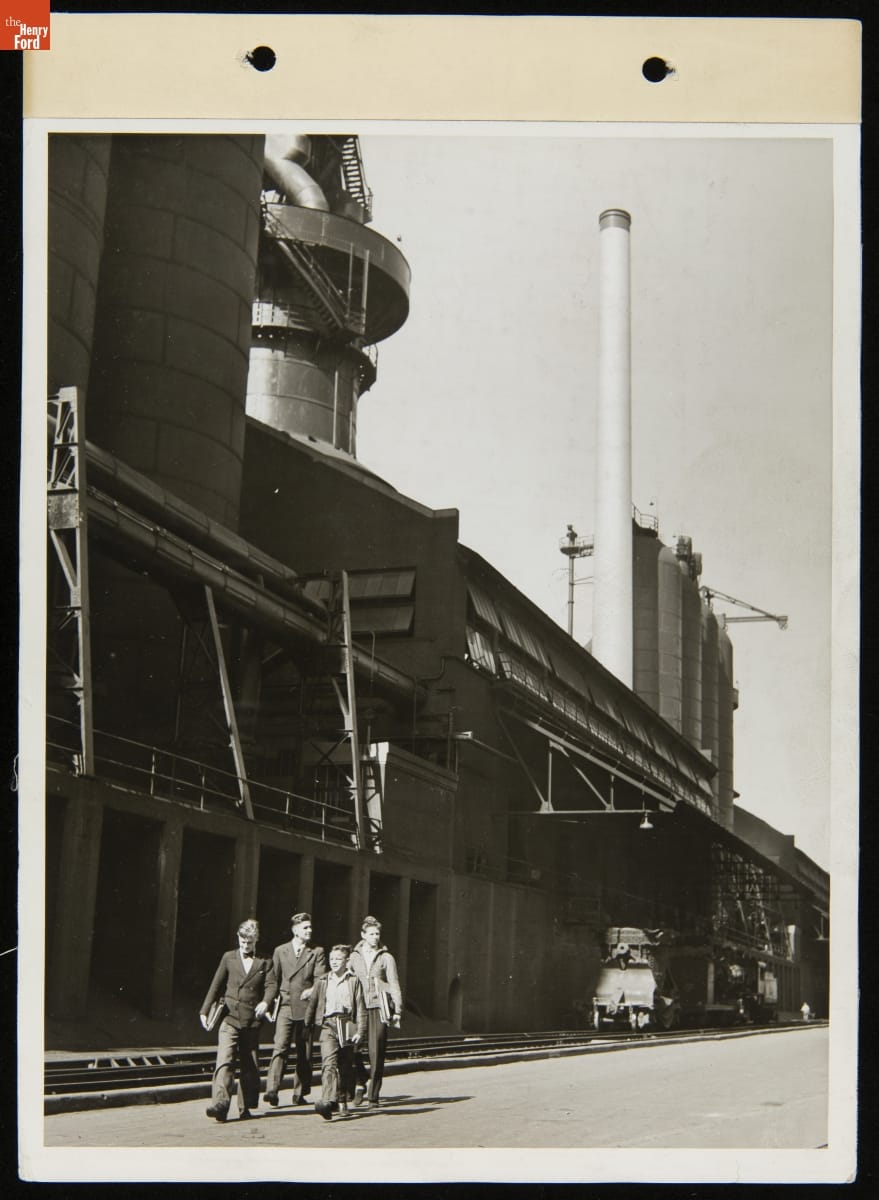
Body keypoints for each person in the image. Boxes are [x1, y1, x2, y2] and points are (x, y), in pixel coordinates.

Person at [199, 917, 277, 1122]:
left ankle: (245, 1107)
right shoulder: (229, 958)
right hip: (230, 1017)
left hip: (251, 1020)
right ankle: (220, 1105)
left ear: (256, 941)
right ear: (238, 939)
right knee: (224, 1061)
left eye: (249, 943)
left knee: (249, 1064)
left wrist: (265, 1002)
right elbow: (216, 984)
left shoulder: (265, 961)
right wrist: (205, 1010)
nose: (245, 946)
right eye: (242, 942)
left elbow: (271, 986)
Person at [264, 912, 327, 1108]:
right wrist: (269, 1001)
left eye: (310, 927)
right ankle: (272, 1090)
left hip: (306, 1007)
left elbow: (320, 978)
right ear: (295, 930)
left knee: (304, 1052)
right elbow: (273, 979)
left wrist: (312, 990)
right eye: (305, 928)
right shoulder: (280, 951)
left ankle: (299, 1093)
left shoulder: (316, 952)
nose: (309, 931)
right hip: (285, 1005)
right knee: (280, 1047)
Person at [304, 943, 367, 1120]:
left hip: (347, 1024)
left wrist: (360, 1032)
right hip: (328, 1025)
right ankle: (327, 1101)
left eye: (338, 959)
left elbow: (361, 1009)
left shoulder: (354, 981)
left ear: (346, 961)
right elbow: (312, 1005)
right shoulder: (323, 981)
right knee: (328, 1063)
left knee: (345, 1065)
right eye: (332, 959)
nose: (334, 962)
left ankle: (342, 1100)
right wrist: (307, 1026)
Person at [348, 915, 402, 1107]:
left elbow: (393, 983)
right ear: (363, 935)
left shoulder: (386, 957)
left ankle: (373, 1095)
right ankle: (360, 1081)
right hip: (357, 1009)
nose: (375, 937)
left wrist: (397, 1009)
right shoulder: (354, 956)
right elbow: (348, 980)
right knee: (353, 1049)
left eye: (377, 933)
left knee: (376, 1051)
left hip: (379, 1008)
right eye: (371, 934)